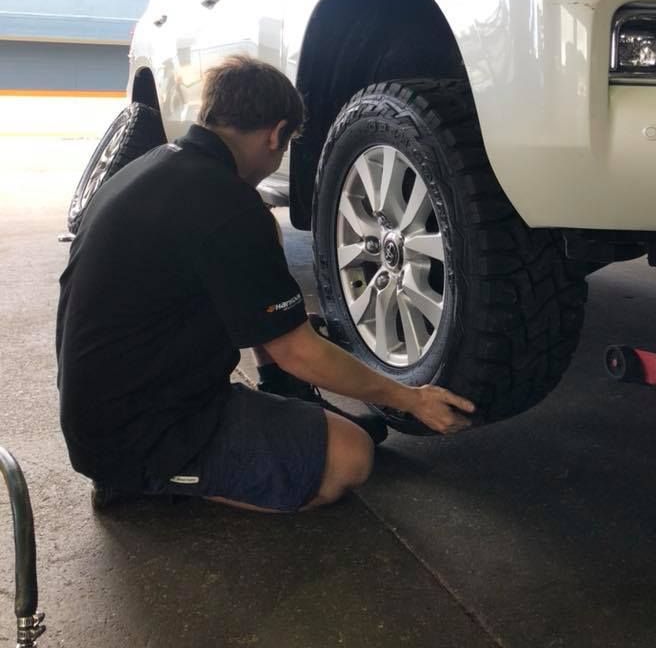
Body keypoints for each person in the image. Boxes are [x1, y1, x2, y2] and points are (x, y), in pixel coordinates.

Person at [56, 56, 474, 514]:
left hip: (108, 404)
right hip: (139, 433)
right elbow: (299, 350)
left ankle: (279, 389)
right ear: (275, 134)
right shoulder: (224, 204)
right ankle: (145, 481)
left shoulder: (158, 165)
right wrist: (410, 398)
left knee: (264, 227)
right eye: (285, 144)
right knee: (351, 457)